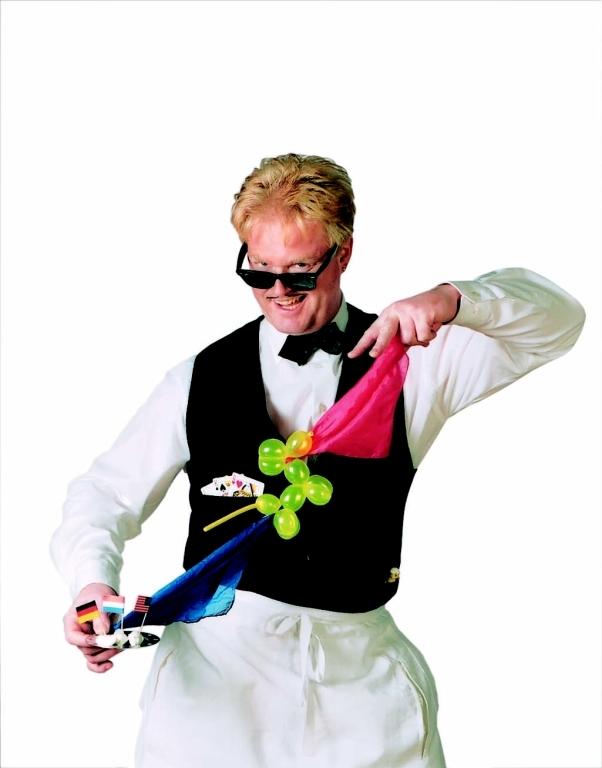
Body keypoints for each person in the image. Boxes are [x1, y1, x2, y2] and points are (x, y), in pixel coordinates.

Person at [51, 153, 585, 768]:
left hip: (363, 695)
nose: (277, 292)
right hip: (212, 689)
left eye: (300, 272)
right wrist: (91, 583)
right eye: (259, 271)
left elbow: (559, 321)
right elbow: (104, 494)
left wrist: (453, 299)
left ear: (343, 253)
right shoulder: (195, 379)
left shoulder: (412, 363)